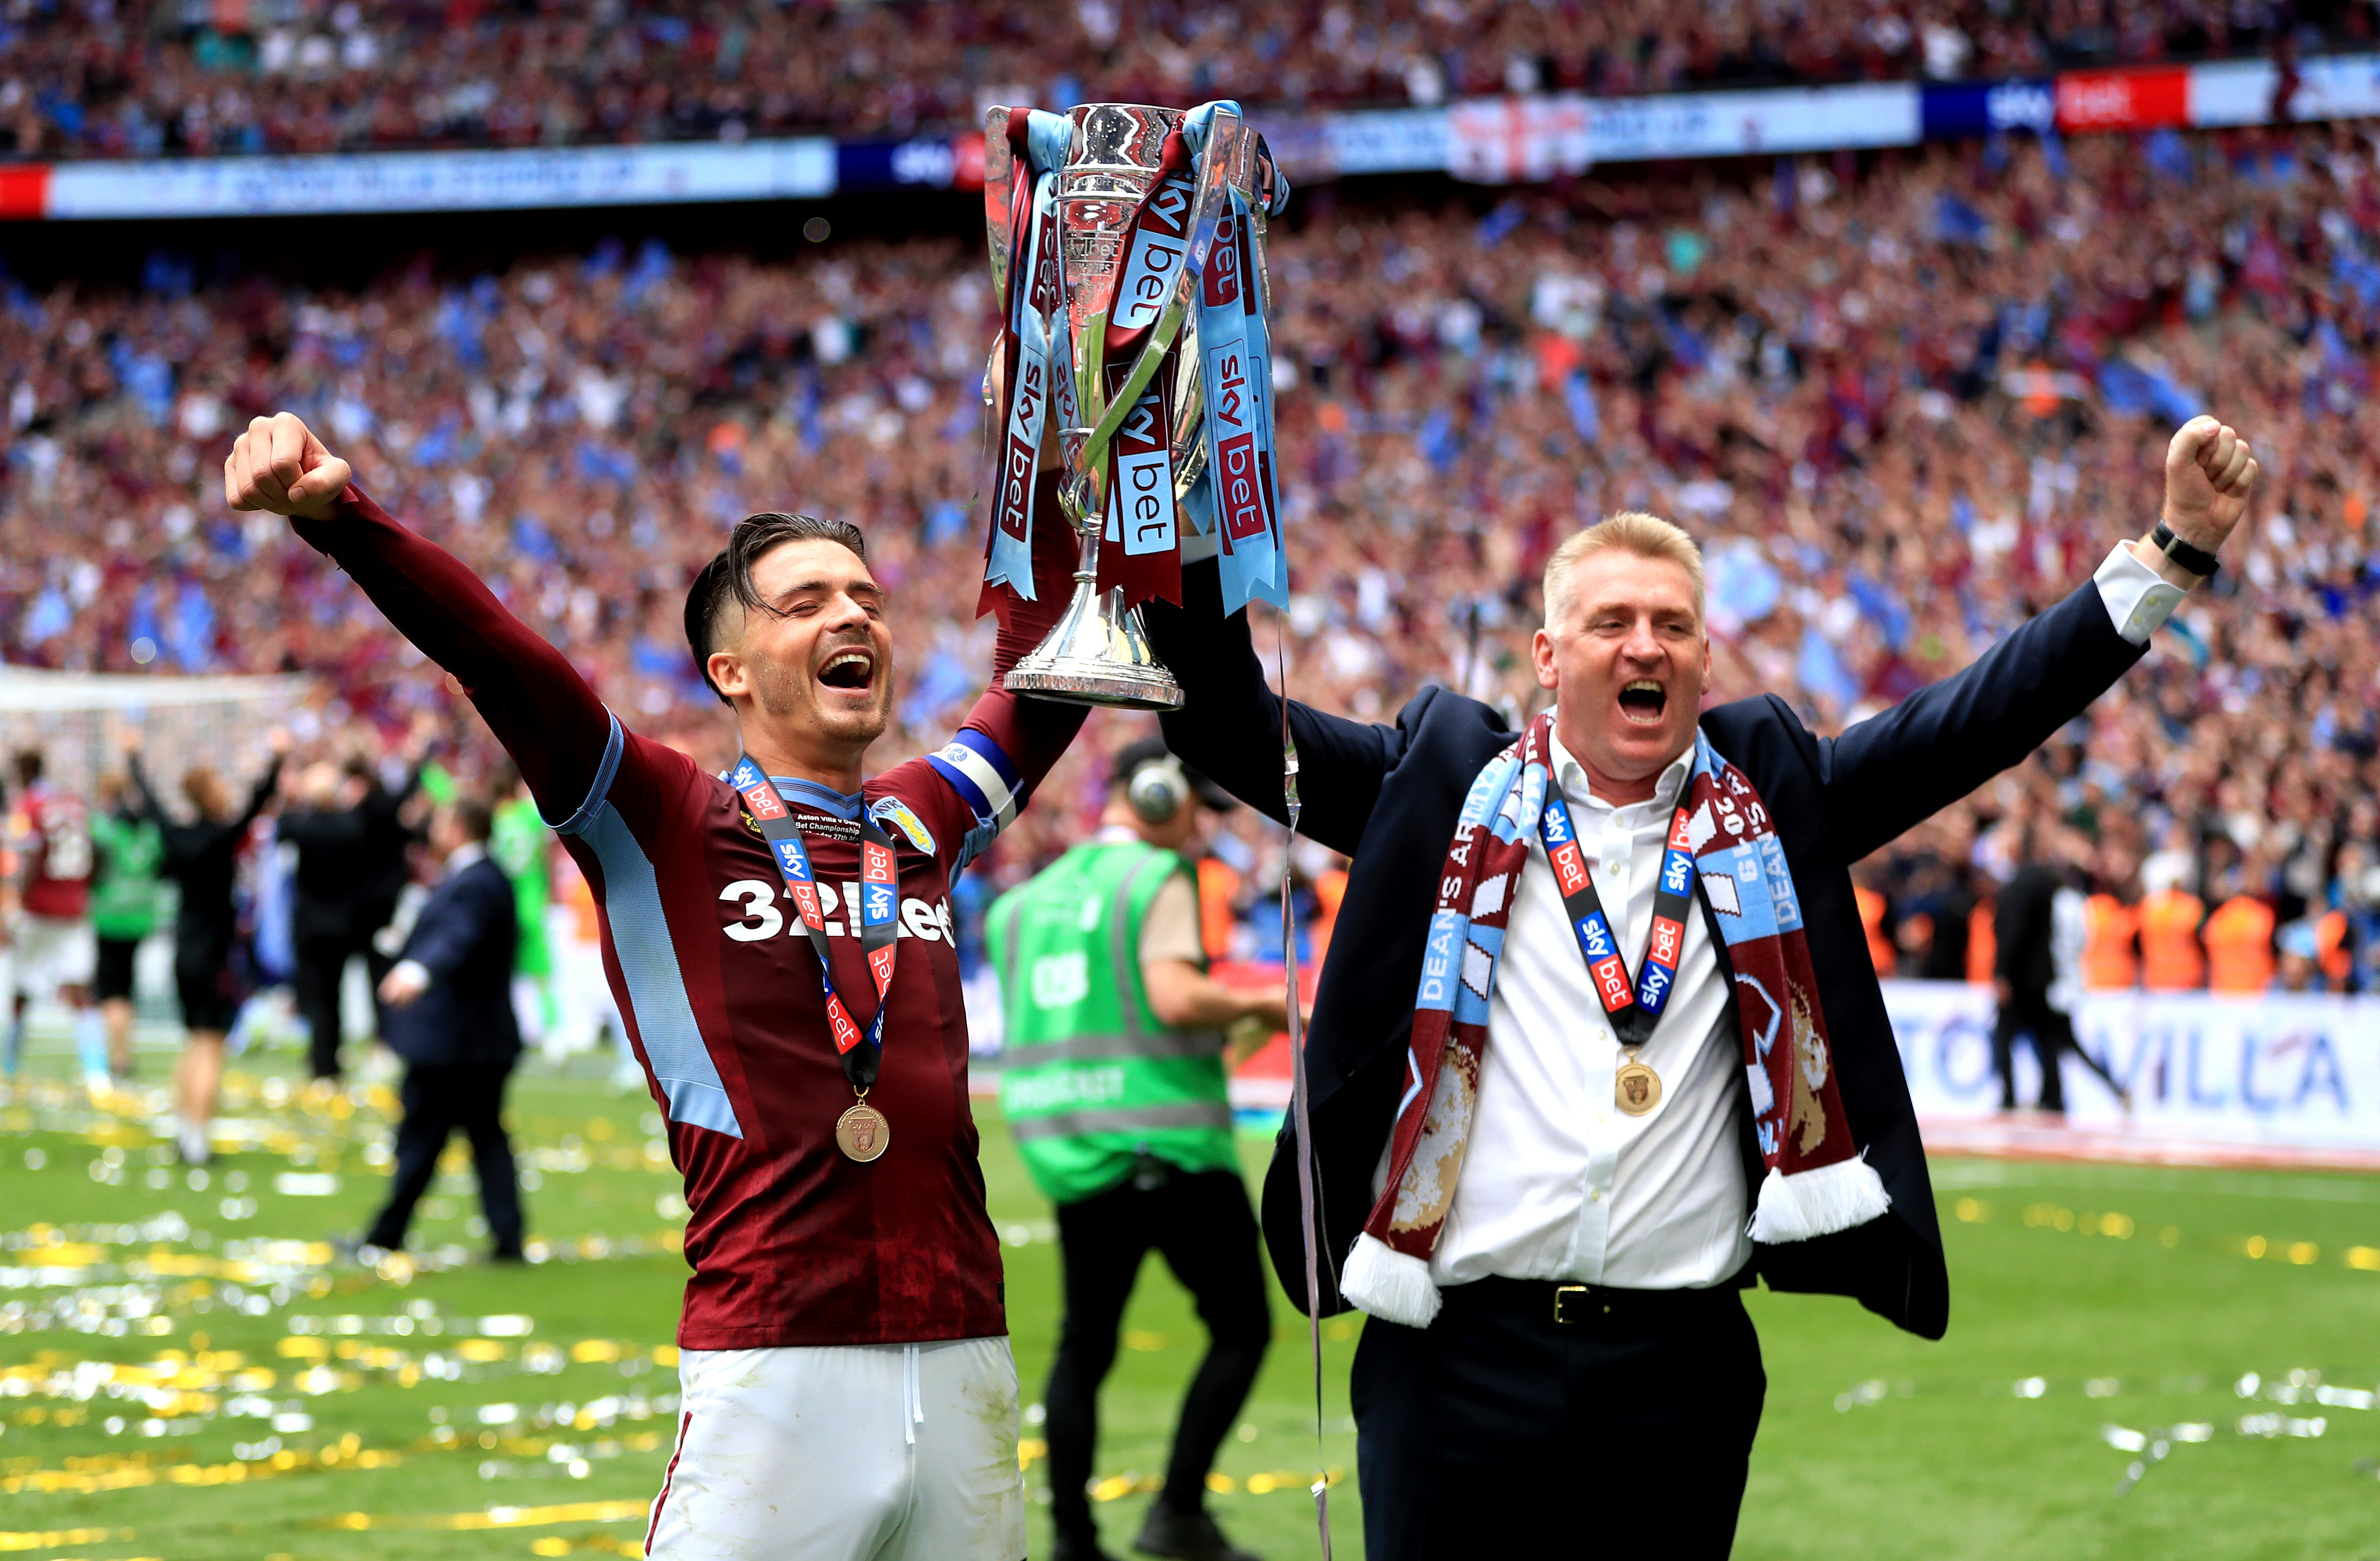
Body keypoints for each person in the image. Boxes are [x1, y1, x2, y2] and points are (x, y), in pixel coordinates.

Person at [1141, 416, 2257, 1557]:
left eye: (1673, 624)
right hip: (1454, 1364)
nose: (1646, 646)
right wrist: (1171, 510)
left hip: (1678, 1372)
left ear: (1706, 660)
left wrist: (2169, 554)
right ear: (1546, 654)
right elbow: (1229, 725)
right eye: (1611, 622)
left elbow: (1976, 721)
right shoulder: (1435, 787)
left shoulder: (1771, 801)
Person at [225, 408, 1086, 1561]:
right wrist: (348, 521)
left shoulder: (922, 819)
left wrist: (1076, 461)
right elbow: (503, 658)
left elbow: (1059, 667)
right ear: (728, 669)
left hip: (969, 1353)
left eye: (867, 600)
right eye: (807, 602)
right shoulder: (668, 820)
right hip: (775, 1360)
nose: (852, 617)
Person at [989, 738, 1286, 1561]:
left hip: (1071, 1152)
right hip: (1172, 1146)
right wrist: (1266, 1004)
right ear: (1158, 793)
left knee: (1085, 1344)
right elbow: (1172, 995)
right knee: (1241, 1328)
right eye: (1201, 807)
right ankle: (1178, 1510)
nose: (1202, 830)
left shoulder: (1023, 903)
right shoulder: (1156, 878)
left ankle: (1073, 1541)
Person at [360, 795, 525, 1260]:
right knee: (483, 1138)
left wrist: (418, 971)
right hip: (473, 1042)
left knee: (423, 1139)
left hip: (456, 1044)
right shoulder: (477, 877)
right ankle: (506, 1237)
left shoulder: (475, 882)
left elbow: (458, 936)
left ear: (457, 827)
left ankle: (385, 1235)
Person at [130, 737, 285, 1165]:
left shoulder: (177, 837)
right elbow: (258, 802)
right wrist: (276, 758)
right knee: (210, 1046)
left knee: (193, 1042)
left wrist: (133, 759)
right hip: (217, 956)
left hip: (183, 952)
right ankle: (198, 1140)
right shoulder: (222, 839)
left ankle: (185, 1132)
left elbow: (152, 803)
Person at [279, 734, 425, 1083]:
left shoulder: (303, 827)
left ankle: (325, 1065)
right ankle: (343, 1059)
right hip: (345, 925)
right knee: (341, 995)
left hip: (313, 929)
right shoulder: (353, 827)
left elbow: (283, 827)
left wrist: (291, 795)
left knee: (322, 1002)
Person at [1991, 829, 2122, 1114]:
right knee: (2051, 1040)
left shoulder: (2021, 888)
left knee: (2020, 1039)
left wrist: (2002, 973)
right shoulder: (2064, 897)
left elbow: (2013, 934)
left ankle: (2016, 1097)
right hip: (2055, 979)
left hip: (2033, 980)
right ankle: (2054, 1095)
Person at [5, 751, 104, 1092]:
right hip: (75, 908)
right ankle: (97, 1072)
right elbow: (98, 850)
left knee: (21, 989)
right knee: (80, 991)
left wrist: (17, 901)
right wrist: (86, 891)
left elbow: (30, 857)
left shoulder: (29, 806)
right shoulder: (74, 803)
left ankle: (9, 1065)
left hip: (40, 908)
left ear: (21, 771)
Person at [88, 769, 165, 1084]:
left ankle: (116, 1056)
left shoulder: (104, 828)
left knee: (111, 990)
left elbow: (93, 869)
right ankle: (124, 1053)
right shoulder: (149, 830)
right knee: (127, 986)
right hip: (142, 915)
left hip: (110, 915)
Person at [486, 758, 561, 1051]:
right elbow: (547, 853)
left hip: (502, 904)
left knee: (505, 971)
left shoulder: (493, 819)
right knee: (541, 972)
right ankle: (553, 1031)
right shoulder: (531, 816)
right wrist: (551, 889)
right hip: (532, 900)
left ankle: (513, 1028)